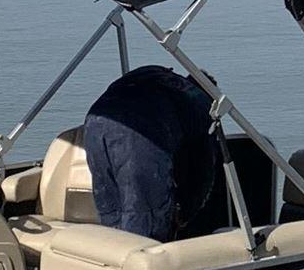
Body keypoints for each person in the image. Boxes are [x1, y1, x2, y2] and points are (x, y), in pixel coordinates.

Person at [80, 64, 225, 242]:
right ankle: (142, 266)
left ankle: (110, 263)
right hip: (140, 132)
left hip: (96, 124)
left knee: (111, 212)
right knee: (146, 222)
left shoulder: (160, 76)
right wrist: (185, 214)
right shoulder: (203, 104)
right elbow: (203, 170)